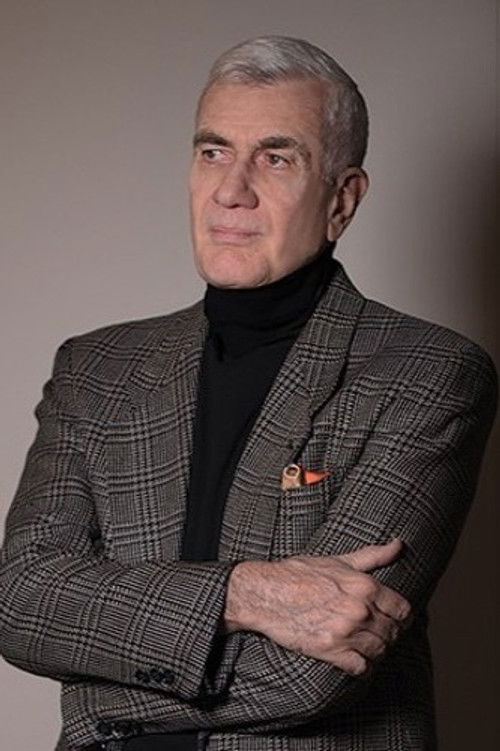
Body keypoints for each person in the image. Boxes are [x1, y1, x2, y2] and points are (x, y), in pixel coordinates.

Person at [0, 35, 497, 751]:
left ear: (342, 199)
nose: (231, 189)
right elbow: (22, 603)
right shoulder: (95, 368)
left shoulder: (428, 372)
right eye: (213, 152)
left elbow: (307, 674)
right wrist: (244, 592)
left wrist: (91, 688)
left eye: (275, 157)